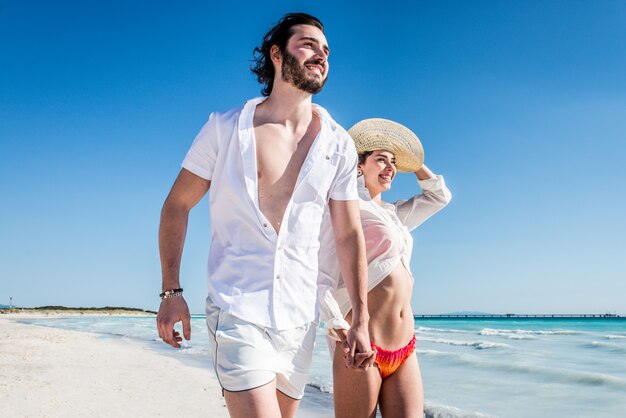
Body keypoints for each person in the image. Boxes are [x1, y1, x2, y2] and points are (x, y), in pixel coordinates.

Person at [156, 13, 375, 418]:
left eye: (326, 50)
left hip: (300, 316)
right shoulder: (224, 129)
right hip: (237, 307)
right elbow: (176, 205)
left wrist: (361, 318)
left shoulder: (339, 144)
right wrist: (172, 292)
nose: (321, 55)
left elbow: (348, 234)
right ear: (277, 54)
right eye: (308, 44)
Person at [318, 118, 452, 417]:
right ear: (358, 165)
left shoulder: (394, 214)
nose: (390, 167)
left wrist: (414, 160)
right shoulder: (345, 208)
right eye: (381, 160)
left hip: (405, 347)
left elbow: (439, 197)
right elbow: (321, 277)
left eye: (393, 162)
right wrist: (340, 327)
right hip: (362, 342)